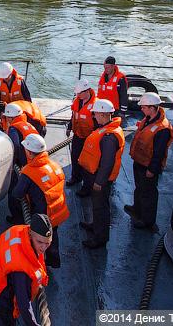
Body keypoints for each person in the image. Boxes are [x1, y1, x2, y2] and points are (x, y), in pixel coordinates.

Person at [0, 213, 52, 326]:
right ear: (31, 234)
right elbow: (24, 305)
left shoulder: (18, 230)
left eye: (47, 243)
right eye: (39, 242)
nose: (43, 248)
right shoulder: (22, 271)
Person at [13, 134, 69, 269]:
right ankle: (54, 260)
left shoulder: (29, 172)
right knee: (53, 235)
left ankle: (39, 265)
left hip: (43, 215)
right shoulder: (54, 165)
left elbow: (17, 193)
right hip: (57, 211)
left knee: (40, 241)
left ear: (30, 152)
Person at [77, 98, 125, 249]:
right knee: (97, 206)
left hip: (100, 179)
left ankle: (100, 238)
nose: (94, 116)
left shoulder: (109, 137)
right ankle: (95, 225)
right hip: (95, 175)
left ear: (104, 114)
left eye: (96, 114)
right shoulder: (106, 129)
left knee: (101, 207)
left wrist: (99, 181)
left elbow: (107, 162)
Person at [125, 92, 173, 230]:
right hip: (140, 161)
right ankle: (137, 209)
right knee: (139, 188)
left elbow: (158, 153)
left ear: (152, 108)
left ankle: (147, 221)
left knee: (149, 193)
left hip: (148, 166)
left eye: (144, 107)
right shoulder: (148, 118)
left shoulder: (162, 129)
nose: (141, 109)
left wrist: (152, 170)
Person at [2, 103, 39, 225]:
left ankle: (17, 218)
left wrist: (12, 165)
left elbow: (15, 146)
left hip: (23, 166)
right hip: (34, 162)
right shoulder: (27, 124)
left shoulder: (13, 128)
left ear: (10, 118)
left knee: (14, 191)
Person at [67, 79, 96, 190]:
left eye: (80, 93)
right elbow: (73, 116)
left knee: (87, 162)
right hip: (78, 134)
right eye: (77, 93)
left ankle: (86, 186)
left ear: (87, 91)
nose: (78, 95)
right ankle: (75, 177)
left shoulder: (95, 105)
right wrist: (70, 127)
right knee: (75, 157)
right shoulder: (76, 101)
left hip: (89, 139)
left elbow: (98, 125)